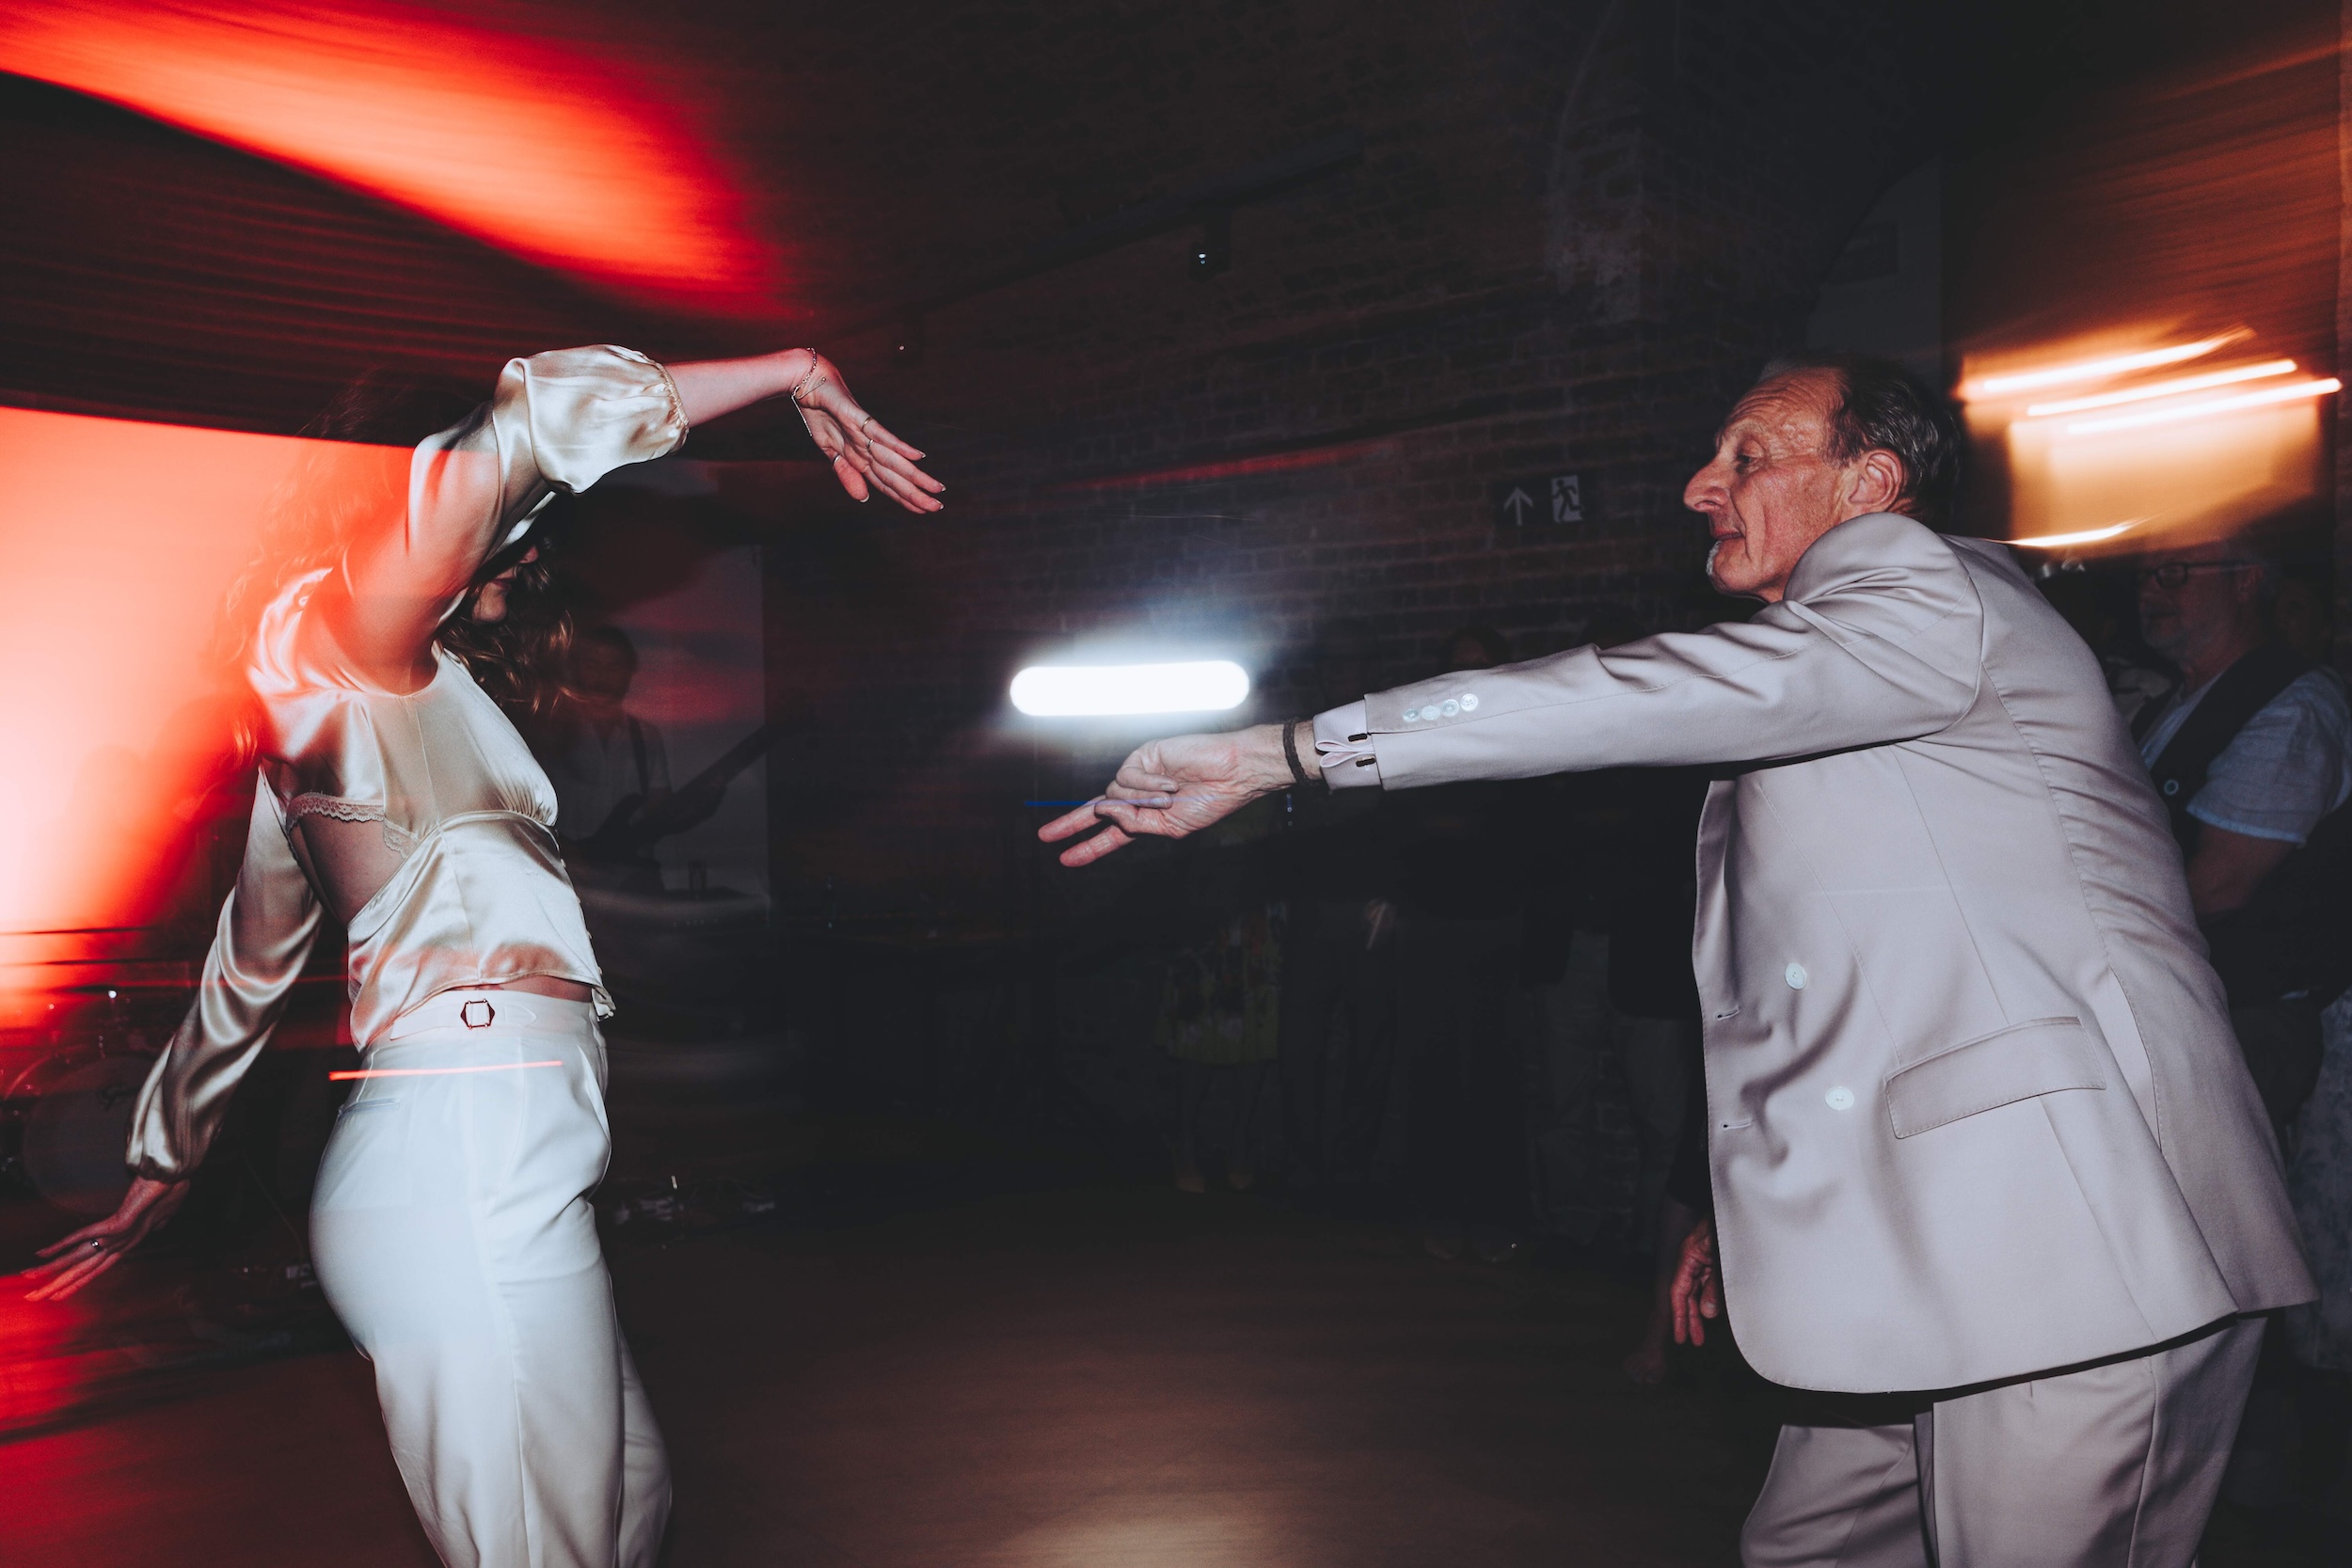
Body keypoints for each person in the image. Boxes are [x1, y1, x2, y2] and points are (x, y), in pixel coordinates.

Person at [1042, 352, 2312, 1565]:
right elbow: (1860, 972)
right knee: (1807, 1543)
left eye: (1748, 454)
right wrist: (1739, 1195)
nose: (1702, 486)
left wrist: (1293, 751)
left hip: (2074, 1243)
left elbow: (1632, 693)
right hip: (1937, 1240)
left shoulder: (1923, 583)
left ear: (1871, 484)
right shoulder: (1859, 665)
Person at [24, 344, 942, 1568]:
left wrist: (161, 1155)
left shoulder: (351, 695)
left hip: (485, 1148)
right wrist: (793, 369)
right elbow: (514, 436)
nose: (515, 555)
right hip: (463, 1151)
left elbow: (248, 961)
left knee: (626, 1505)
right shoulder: (342, 633)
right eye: (493, 535)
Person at [1389, 626, 1529, 1261]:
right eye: (1458, 667)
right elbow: (1410, 831)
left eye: (1480, 666)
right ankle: (1436, 1218)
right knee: (1434, 1079)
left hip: (1498, 933)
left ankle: (1496, 1220)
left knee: (1497, 1083)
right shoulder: (1419, 740)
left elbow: (1521, 834)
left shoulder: (1527, 737)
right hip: (1433, 931)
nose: (1468, 679)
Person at [1272, 620, 1399, 1199]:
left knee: (1369, 1048)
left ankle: (1350, 1174)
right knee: (1300, 1045)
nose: (1338, 673)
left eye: (1349, 662)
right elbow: (1284, 829)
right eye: (1330, 664)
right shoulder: (1302, 734)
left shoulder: (1392, 729)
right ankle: (1303, 1170)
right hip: (1311, 910)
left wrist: (1395, 893)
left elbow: (1408, 824)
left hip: (1369, 912)